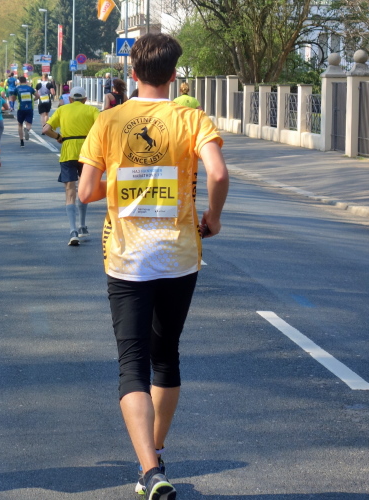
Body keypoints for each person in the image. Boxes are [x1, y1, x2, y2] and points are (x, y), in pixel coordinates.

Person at [77, 33, 229, 500]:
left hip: (126, 259)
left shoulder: (109, 120)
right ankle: (157, 453)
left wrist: (127, 186)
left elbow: (85, 191)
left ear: (133, 74)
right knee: (166, 356)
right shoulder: (192, 118)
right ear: (174, 76)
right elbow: (218, 173)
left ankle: (149, 470)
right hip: (180, 257)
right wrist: (213, 216)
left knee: (132, 364)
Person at [42, 86, 98, 246]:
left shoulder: (62, 110)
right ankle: (82, 226)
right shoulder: (92, 110)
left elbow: (46, 129)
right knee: (84, 189)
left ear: (71, 99)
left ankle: (73, 230)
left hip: (68, 152)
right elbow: (103, 128)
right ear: (85, 99)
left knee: (70, 191)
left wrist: (59, 137)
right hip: (87, 152)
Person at [14, 75, 37, 148]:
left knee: (20, 124)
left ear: (20, 82)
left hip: (21, 108)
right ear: (26, 81)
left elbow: (13, 98)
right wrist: (33, 100)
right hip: (29, 108)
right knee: (29, 123)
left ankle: (21, 142)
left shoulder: (17, 89)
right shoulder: (30, 88)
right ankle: (27, 129)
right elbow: (38, 96)